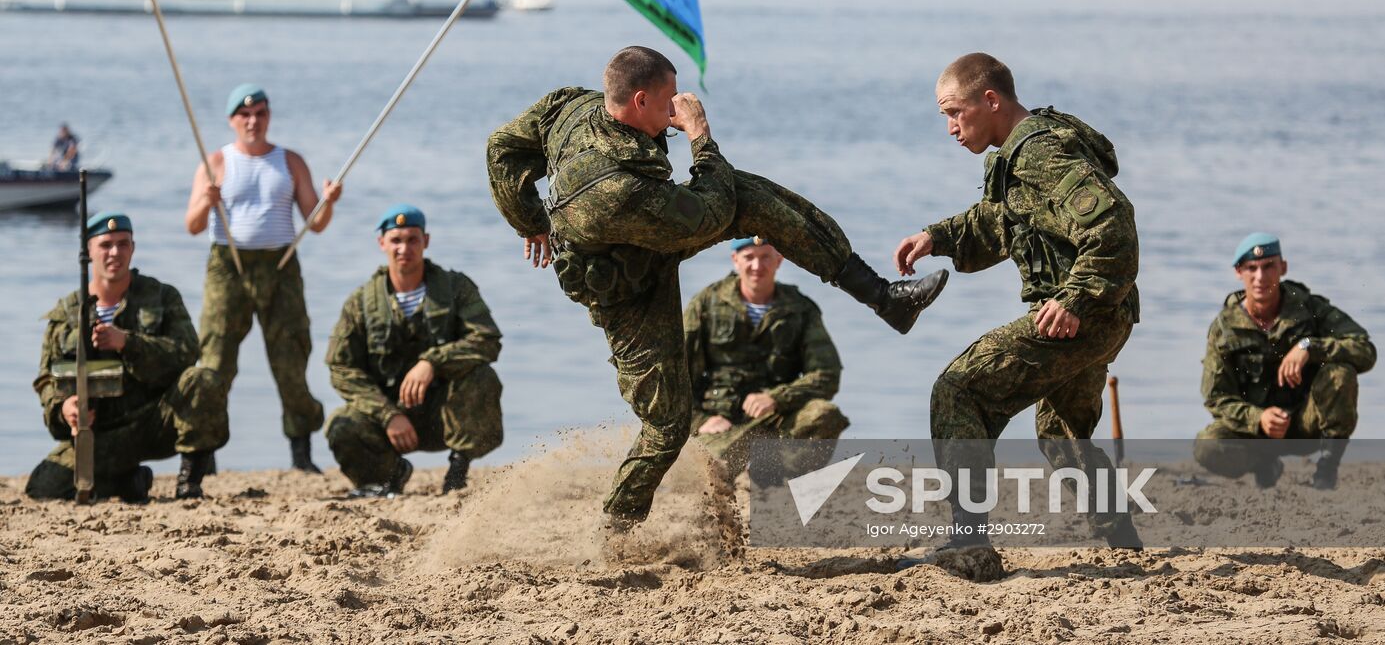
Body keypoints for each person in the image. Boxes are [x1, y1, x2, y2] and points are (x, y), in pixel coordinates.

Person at [486, 45, 947, 532]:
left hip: (650, 225)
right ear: (640, 100)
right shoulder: (617, 189)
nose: (678, 105)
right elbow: (709, 214)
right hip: (627, 289)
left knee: (751, 196)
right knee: (667, 425)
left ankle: (883, 298)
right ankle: (615, 528)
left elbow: (501, 147)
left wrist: (528, 220)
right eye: (668, 99)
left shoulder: (570, 105)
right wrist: (700, 135)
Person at [893, 52, 1143, 568]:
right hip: (1102, 313)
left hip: (1082, 315)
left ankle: (969, 545)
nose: (950, 127)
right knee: (1062, 437)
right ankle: (1125, 544)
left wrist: (1075, 299)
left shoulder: (1038, 151)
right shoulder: (1015, 154)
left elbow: (1114, 223)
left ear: (990, 100)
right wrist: (937, 237)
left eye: (954, 112)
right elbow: (999, 222)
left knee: (960, 390)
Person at [183, 83, 341, 472]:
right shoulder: (215, 161)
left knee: (291, 359)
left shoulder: (291, 161)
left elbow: (316, 223)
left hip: (280, 265)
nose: (253, 121)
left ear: (269, 117)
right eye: (245, 115)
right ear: (232, 120)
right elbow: (192, 225)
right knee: (216, 359)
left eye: (260, 114)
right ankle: (205, 452)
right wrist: (206, 201)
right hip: (229, 266)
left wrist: (329, 202)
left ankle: (301, 453)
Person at [27, 212, 227, 502]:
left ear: (133, 248)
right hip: (101, 431)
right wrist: (64, 409)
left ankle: (189, 484)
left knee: (202, 380)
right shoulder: (68, 314)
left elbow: (186, 351)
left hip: (157, 419)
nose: (115, 253)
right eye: (105, 245)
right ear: (88, 251)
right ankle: (128, 481)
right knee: (44, 487)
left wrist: (128, 343)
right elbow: (47, 379)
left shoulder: (161, 296)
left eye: (123, 244)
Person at [324, 205, 504, 497]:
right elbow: (341, 368)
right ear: (382, 243)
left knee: (483, 377)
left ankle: (458, 471)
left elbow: (487, 339)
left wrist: (432, 362)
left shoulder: (455, 288)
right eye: (396, 240)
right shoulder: (361, 302)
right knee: (341, 424)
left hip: (444, 413)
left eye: (412, 239)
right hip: (390, 418)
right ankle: (388, 477)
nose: (404, 248)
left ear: (426, 241)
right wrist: (387, 414)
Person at [1193, 233, 1375, 490]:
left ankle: (1326, 469)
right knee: (1207, 446)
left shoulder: (1309, 309)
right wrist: (1258, 418)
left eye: (1268, 266)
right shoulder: (1225, 328)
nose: (1260, 277)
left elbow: (1364, 348)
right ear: (1238, 272)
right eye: (1251, 268)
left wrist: (1310, 347)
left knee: (1340, 373)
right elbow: (1216, 397)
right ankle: (1263, 464)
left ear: (1283, 267)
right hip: (1256, 433)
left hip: (1305, 424)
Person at [685, 236, 849, 477]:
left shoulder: (800, 309)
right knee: (713, 472)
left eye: (765, 257)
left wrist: (776, 398)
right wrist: (700, 420)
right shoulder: (707, 303)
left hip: (778, 416)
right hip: (721, 421)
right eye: (749, 257)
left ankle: (775, 482)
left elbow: (827, 374)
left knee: (824, 415)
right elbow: (676, 374)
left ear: (779, 260)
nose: (757, 266)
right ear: (735, 260)